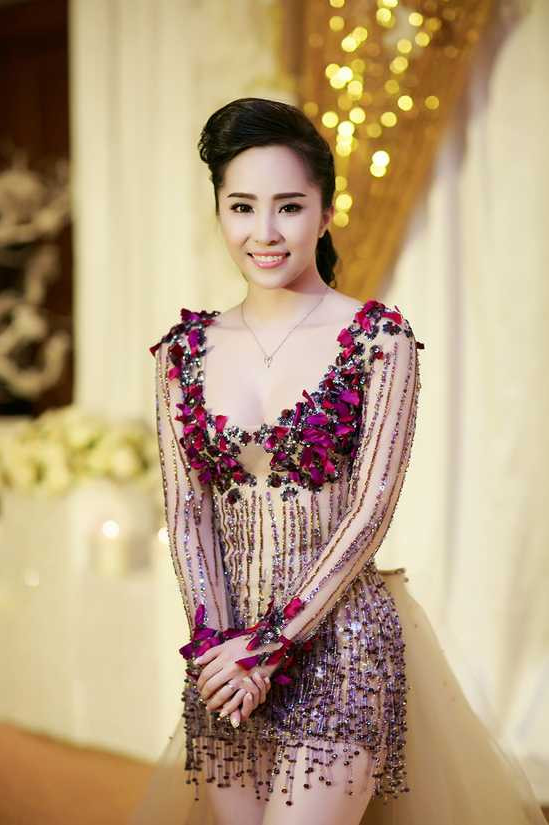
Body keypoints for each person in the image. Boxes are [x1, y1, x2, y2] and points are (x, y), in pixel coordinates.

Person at [129, 98, 546, 825]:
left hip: (340, 650)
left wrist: (270, 646)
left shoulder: (378, 340)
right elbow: (187, 512)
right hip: (224, 660)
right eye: (242, 206)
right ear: (219, 212)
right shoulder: (181, 353)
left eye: (289, 207)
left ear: (325, 213)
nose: (264, 232)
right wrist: (215, 650)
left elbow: (371, 508)